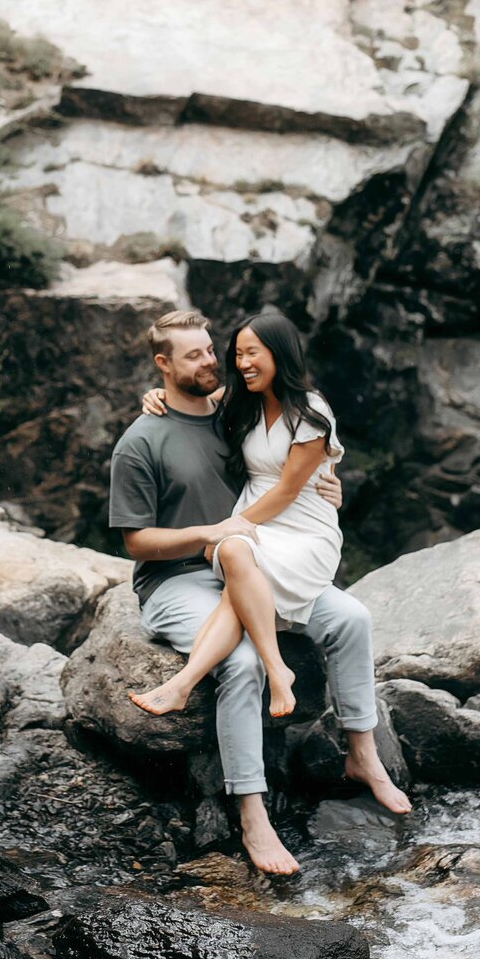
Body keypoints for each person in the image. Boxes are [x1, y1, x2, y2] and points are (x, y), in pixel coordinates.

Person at [108, 308, 410, 879]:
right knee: (242, 661)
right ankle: (252, 811)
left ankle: (361, 755)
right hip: (179, 579)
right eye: (194, 355)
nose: (215, 362)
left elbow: (296, 457)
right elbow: (135, 543)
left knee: (351, 618)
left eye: (210, 350)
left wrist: (329, 480)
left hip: (256, 555)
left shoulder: (232, 411)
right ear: (162, 365)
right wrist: (211, 533)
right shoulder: (141, 439)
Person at [129, 309, 346, 721]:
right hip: (261, 524)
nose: (242, 363)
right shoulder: (242, 401)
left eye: (252, 353)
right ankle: (271, 671)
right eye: (237, 354)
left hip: (300, 529)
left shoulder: (311, 409)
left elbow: (288, 489)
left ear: (278, 353)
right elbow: (190, 397)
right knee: (235, 573)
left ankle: (193, 682)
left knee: (231, 554)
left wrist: (233, 525)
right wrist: (156, 394)